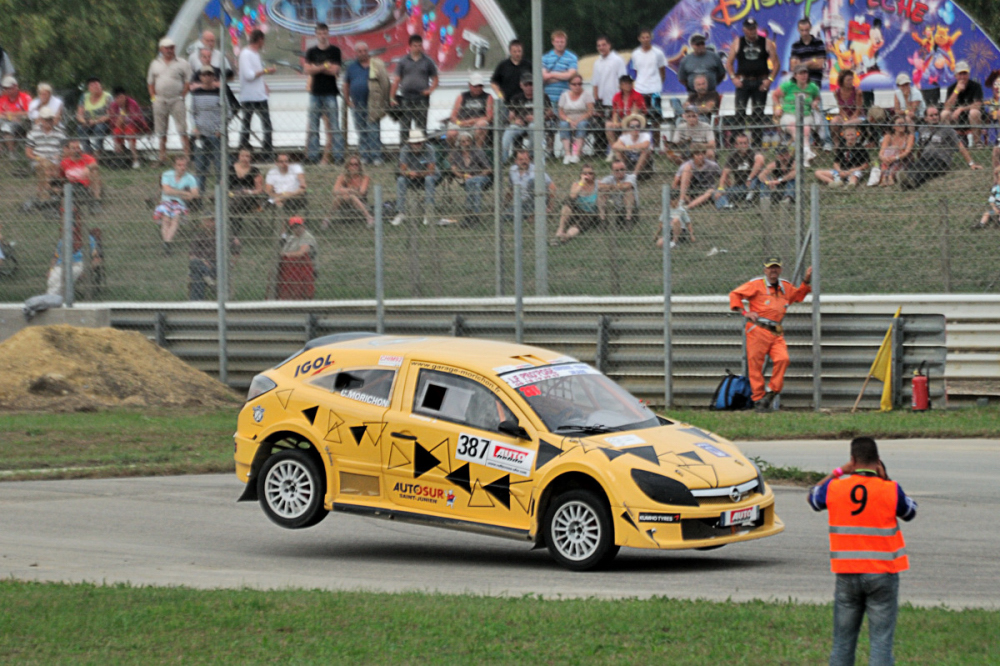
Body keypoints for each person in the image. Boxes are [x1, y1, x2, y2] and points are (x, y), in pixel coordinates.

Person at [808, 437, 918, 666]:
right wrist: (886, 478)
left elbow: (813, 497)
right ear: (878, 462)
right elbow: (910, 511)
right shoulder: (890, 489)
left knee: (842, 643)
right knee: (880, 642)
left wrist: (838, 471)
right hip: (883, 574)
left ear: (852, 460)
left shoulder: (836, 487)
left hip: (847, 573)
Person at [729, 257, 812, 409]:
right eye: (770, 267)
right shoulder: (756, 284)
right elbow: (735, 295)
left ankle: (772, 391)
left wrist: (806, 281)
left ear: (780, 269)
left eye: (776, 267)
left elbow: (798, 296)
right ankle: (759, 399)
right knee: (755, 366)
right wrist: (745, 312)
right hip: (757, 329)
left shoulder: (785, 286)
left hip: (776, 332)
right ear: (765, 270)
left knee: (783, 359)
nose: (773, 270)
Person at [899, 106, 981, 190]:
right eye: (931, 115)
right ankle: (907, 179)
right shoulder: (922, 129)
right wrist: (919, 157)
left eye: (936, 115)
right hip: (926, 157)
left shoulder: (947, 129)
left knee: (929, 168)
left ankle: (912, 181)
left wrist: (971, 163)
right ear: (926, 118)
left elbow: (960, 145)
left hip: (941, 160)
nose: (934, 117)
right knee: (917, 165)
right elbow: (921, 146)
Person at [726, 18, 779, 146]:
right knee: (740, 112)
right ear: (744, 30)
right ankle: (737, 143)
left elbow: (776, 64)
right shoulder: (738, 42)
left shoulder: (766, 43)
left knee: (758, 114)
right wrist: (733, 78)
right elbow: (729, 63)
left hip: (760, 82)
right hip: (743, 81)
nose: (752, 32)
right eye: (749, 29)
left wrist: (769, 80)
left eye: (754, 28)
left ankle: (757, 144)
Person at [303, 23, 343, 165]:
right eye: (320, 33)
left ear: (328, 33)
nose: (322, 35)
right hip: (315, 92)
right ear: (316, 34)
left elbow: (335, 71)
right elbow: (307, 70)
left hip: (330, 92)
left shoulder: (335, 51)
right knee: (313, 126)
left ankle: (338, 157)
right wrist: (324, 66)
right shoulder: (311, 52)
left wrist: (317, 68)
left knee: (335, 126)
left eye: (325, 32)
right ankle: (313, 157)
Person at [147, 36, 192, 163]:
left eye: (171, 48)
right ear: (161, 49)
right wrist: (153, 98)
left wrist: (183, 95)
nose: (169, 50)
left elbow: (188, 81)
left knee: (182, 128)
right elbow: (150, 82)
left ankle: (187, 156)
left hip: (176, 99)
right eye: (167, 48)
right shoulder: (155, 64)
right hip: (160, 100)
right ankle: (162, 156)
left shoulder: (182, 63)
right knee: (161, 130)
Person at [343, 41, 388, 165]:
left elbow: (384, 82)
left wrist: (384, 101)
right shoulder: (351, 67)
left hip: (373, 104)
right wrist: (348, 101)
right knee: (361, 131)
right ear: (356, 53)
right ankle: (364, 157)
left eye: (365, 51)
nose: (363, 53)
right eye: (360, 51)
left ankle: (376, 157)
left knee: (374, 131)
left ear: (368, 52)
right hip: (357, 104)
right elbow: (346, 84)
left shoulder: (376, 65)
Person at [390, 34, 439, 144]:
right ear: (410, 46)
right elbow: (397, 80)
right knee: (404, 127)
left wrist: (430, 90)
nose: (417, 48)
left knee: (421, 128)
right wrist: (392, 97)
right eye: (415, 45)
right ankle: (404, 154)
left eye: (419, 45)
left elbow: (435, 79)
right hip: (406, 98)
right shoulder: (403, 61)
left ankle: (421, 156)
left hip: (421, 98)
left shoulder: (428, 61)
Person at [773, 65, 821, 166]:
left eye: (805, 73)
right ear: (795, 76)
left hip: (806, 115)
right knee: (794, 126)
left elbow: (817, 98)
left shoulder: (812, 87)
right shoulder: (788, 85)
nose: (804, 76)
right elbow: (775, 95)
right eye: (801, 73)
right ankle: (806, 152)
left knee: (806, 128)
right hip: (789, 114)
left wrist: (815, 102)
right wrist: (778, 106)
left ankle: (804, 154)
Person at [238, 29, 276, 157]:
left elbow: (256, 73)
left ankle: (267, 152)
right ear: (259, 40)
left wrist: (264, 85)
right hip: (249, 96)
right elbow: (249, 75)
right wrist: (266, 71)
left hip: (260, 95)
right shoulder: (245, 54)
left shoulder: (256, 55)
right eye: (263, 41)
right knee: (246, 125)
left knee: (267, 125)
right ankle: (242, 150)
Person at [46, 209, 100, 297]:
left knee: (64, 277)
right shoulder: (63, 240)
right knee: (52, 279)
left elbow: (97, 258)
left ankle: (53, 300)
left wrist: (89, 270)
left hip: (79, 264)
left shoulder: (87, 238)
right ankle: (53, 299)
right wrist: (51, 270)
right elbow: (55, 257)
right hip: (62, 264)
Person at [502, 73, 554, 162]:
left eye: (531, 84)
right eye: (526, 85)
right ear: (521, 85)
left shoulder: (542, 96)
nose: (529, 87)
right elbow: (511, 116)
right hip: (521, 124)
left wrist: (538, 118)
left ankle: (531, 156)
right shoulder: (516, 98)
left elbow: (550, 113)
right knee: (509, 131)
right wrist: (515, 121)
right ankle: (503, 159)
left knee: (533, 127)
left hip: (537, 124)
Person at [392, 129, 440, 226]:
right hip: (412, 177)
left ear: (423, 142)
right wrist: (409, 173)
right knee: (401, 180)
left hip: (429, 177)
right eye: (415, 143)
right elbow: (402, 170)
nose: (417, 145)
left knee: (429, 179)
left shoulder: (429, 149)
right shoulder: (405, 150)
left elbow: (431, 171)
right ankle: (400, 213)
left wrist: (416, 173)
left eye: (419, 142)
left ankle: (428, 213)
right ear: (410, 143)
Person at [188, 215, 241, 300]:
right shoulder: (198, 236)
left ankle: (197, 304)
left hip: (218, 266)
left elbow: (237, 250)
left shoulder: (223, 235)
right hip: (202, 264)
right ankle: (209, 282)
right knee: (195, 266)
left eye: (211, 221)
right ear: (202, 223)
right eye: (206, 221)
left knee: (197, 274)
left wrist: (231, 265)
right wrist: (203, 262)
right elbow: (192, 255)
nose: (209, 224)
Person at [153, 155, 199, 252]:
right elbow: (166, 191)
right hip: (166, 201)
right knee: (166, 218)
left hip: (179, 203)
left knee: (176, 218)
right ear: (174, 166)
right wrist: (184, 192)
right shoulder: (167, 175)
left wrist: (189, 196)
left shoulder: (190, 178)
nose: (182, 168)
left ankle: (167, 243)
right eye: (179, 165)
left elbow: (195, 193)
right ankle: (167, 243)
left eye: (184, 165)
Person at [592, 35, 627, 160]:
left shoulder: (618, 60)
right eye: (599, 45)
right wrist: (596, 100)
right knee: (608, 128)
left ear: (609, 45)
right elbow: (595, 83)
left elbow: (623, 81)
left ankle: (622, 151)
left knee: (620, 127)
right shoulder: (597, 63)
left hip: (617, 101)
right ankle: (613, 150)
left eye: (604, 44)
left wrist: (622, 99)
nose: (601, 47)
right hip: (604, 102)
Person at [190, 65, 224, 191]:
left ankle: (219, 196)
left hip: (216, 136)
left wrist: (220, 129)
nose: (207, 77)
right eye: (204, 75)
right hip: (201, 136)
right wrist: (195, 128)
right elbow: (192, 113)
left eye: (210, 74)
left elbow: (227, 113)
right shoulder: (195, 94)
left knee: (219, 167)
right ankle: (199, 196)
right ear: (200, 77)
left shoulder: (220, 93)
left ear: (213, 77)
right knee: (200, 168)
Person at [630, 28, 667, 144]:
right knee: (641, 119)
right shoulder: (635, 53)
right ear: (639, 39)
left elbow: (662, 72)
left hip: (654, 90)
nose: (645, 40)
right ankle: (643, 143)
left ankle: (656, 146)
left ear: (651, 38)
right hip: (640, 90)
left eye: (647, 37)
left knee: (656, 120)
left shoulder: (658, 53)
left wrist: (656, 84)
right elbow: (636, 72)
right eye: (643, 37)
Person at [449, 133, 492, 226]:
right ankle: (474, 216)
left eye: (468, 141)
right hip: (466, 178)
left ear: (471, 142)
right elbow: (453, 169)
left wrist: (477, 176)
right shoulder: (457, 153)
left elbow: (488, 169)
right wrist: (462, 175)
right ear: (459, 143)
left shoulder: (478, 152)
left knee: (474, 182)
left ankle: (470, 215)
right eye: (463, 142)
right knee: (471, 183)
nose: (466, 143)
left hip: (482, 177)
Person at [24, 107, 66, 201]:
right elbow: (28, 152)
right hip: (38, 160)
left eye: (50, 119)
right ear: (41, 120)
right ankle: (52, 194)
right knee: (45, 166)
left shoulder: (60, 133)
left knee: (46, 168)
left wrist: (60, 156)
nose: (48, 121)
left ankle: (43, 196)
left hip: (56, 160)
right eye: (46, 119)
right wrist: (39, 158)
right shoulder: (33, 133)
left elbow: (65, 151)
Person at [715, 132, 765, 209]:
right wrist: (720, 188)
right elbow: (724, 173)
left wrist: (749, 178)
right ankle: (726, 206)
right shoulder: (732, 156)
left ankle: (750, 199)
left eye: (745, 143)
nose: (743, 145)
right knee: (715, 192)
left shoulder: (753, 152)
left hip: (755, 185)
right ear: (736, 145)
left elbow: (760, 161)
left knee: (759, 176)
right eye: (740, 143)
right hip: (741, 187)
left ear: (748, 144)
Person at [554, 164, 599, 244]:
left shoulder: (598, 184)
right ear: (581, 175)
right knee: (568, 200)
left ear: (594, 175)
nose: (588, 175)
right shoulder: (577, 184)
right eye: (585, 173)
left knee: (580, 223)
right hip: (576, 210)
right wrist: (582, 182)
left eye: (590, 173)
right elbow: (572, 196)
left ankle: (566, 236)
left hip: (589, 213)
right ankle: (561, 229)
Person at [446, 73, 493, 148]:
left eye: (480, 86)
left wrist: (470, 121)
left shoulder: (488, 97)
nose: (478, 88)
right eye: (475, 86)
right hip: (461, 124)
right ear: (470, 85)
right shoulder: (462, 96)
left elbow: (489, 117)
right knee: (452, 133)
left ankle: (477, 151)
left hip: (475, 125)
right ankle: (454, 153)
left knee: (482, 124)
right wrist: (460, 123)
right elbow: (453, 116)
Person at [606, 75, 647, 161]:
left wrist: (621, 123)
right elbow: (615, 112)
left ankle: (625, 151)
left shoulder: (637, 96)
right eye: (625, 83)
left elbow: (635, 113)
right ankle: (614, 150)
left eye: (629, 83)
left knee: (627, 127)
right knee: (608, 125)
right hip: (622, 119)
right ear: (620, 85)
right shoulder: (617, 96)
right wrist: (615, 122)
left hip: (636, 119)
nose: (628, 85)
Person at [276, 216, 317, 300]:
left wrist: (286, 255)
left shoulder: (307, 237)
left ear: (303, 226)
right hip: (290, 266)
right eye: (294, 227)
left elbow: (301, 253)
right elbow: (282, 250)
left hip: (303, 267)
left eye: (298, 226)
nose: (296, 229)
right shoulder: (292, 238)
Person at [557, 74, 594, 164]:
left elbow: (590, 112)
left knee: (582, 125)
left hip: (583, 120)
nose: (577, 86)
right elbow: (560, 112)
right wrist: (570, 120)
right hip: (568, 119)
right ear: (569, 85)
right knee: (563, 124)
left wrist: (577, 121)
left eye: (579, 84)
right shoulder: (564, 95)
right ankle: (567, 154)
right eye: (574, 84)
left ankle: (576, 154)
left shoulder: (587, 95)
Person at [508, 149, 556, 217]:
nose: (524, 162)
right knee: (505, 215)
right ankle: (528, 214)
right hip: (521, 203)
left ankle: (537, 213)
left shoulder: (536, 170)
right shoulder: (512, 170)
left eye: (526, 159)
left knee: (532, 182)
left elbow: (552, 187)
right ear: (516, 161)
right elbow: (511, 190)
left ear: (529, 159)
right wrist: (503, 205)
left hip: (535, 202)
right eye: (521, 159)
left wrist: (550, 208)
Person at [942, 60, 983, 139]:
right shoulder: (951, 88)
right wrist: (956, 91)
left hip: (971, 117)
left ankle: (977, 142)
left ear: (968, 75)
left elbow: (978, 105)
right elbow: (947, 107)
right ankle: (948, 142)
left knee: (974, 112)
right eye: (960, 74)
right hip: (956, 118)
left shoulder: (976, 86)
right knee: (944, 114)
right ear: (956, 76)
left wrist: (961, 109)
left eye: (965, 74)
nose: (963, 77)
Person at [676, 144, 721, 213]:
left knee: (711, 191)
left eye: (702, 154)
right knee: (687, 168)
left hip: (707, 192)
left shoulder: (712, 165)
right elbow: (676, 180)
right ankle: (681, 202)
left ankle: (687, 207)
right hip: (691, 192)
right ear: (693, 156)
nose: (700, 157)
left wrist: (721, 189)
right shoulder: (687, 165)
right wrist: (675, 193)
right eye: (697, 155)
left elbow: (723, 177)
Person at [109, 87, 147, 169]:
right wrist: (121, 115)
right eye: (117, 98)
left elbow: (136, 120)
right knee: (116, 132)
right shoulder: (114, 106)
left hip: (135, 126)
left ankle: (135, 159)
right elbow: (115, 123)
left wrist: (124, 121)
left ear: (125, 96)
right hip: (121, 126)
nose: (120, 99)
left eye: (121, 97)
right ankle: (120, 158)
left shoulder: (132, 103)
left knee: (129, 132)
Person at [228, 147, 264, 230]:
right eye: (242, 156)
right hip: (231, 196)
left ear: (251, 158)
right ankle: (235, 228)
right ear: (238, 156)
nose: (244, 158)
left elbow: (259, 190)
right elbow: (223, 185)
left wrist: (249, 192)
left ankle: (234, 229)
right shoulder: (230, 169)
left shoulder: (254, 170)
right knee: (236, 198)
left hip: (248, 198)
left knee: (239, 197)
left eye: (247, 156)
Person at [75, 78, 112, 156]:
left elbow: (109, 115)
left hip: (103, 122)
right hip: (88, 122)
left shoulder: (107, 97)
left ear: (101, 86)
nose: (95, 87)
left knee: (99, 128)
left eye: (97, 85)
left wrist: (95, 121)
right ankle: (87, 153)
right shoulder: (84, 97)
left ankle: (98, 152)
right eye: (92, 85)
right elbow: (79, 114)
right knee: (80, 128)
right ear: (89, 88)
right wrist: (85, 122)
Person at [332, 155, 373, 226]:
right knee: (339, 197)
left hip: (360, 203)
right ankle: (327, 219)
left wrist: (344, 190)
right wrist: (351, 190)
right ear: (347, 166)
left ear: (360, 166)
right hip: (345, 202)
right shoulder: (342, 176)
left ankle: (368, 217)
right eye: (351, 164)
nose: (354, 167)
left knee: (351, 196)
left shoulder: (365, 177)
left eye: (356, 164)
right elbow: (334, 191)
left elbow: (361, 193)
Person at [542, 30, 578, 106]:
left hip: (566, 99)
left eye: (562, 42)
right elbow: (544, 76)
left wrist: (551, 75)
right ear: (553, 42)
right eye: (557, 42)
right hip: (548, 99)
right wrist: (563, 75)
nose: (560, 44)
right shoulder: (545, 58)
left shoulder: (572, 57)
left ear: (565, 42)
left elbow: (570, 75)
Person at [60, 140, 102, 205]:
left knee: (94, 172)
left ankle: (96, 199)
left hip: (87, 187)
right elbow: (61, 176)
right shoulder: (64, 162)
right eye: (73, 148)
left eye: (78, 148)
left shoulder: (86, 157)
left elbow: (95, 164)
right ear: (69, 150)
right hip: (72, 187)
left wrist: (88, 167)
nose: (77, 150)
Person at [829, 69, 865, 147]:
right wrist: (844, 116)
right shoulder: (837, 92)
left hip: (858, 116)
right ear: (842, 81)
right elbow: (840, 108)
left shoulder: (857, 92)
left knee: (847, 124)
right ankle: (836, 142)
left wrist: (850, 118)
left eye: (851, 80)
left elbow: (858, 109)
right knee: (833, 122)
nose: (850, 82)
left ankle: (852, 143)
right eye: (848, 80)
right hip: (845, 115)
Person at [598, 160, 638, 225]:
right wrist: (614, 187)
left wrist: (609, 187)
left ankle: (629, 219)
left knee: (628, 191)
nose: (620, 172)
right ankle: (603, 219)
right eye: (617, 170)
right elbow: (599, 186)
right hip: (618, 209)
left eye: (622, 169)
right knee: (602, 192)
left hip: (632, 208)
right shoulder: (609, 178)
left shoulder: (631, 177)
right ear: (612, 171)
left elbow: (627, 186)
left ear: (626, 169)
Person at [876, 117, 914, 187]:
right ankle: (885, 178)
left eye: (904, 123)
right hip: (889, 161)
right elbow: (881, 153)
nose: (902, 125)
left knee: (894, 149)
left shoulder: (909, 136)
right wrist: (884, 158)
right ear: (893, 126)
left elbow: (907, 152)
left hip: (903, 160)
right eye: (899, 124)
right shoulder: (888, 136)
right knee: (888, 150)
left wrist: (895, 157)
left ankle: (889, 177)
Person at [611, 113, 653, 177]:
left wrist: (628, 147)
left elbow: (645, 145)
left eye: (637, 126)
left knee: (646, 151)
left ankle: (634, 175)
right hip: (629, 161)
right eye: (632, 126)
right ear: (628, 128)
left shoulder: (645, 135)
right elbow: (615, 146)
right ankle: (622, 172)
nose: (635, 128)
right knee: (618, 151)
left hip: (645, 163)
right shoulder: (624, 137)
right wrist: (629, 148)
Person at [789, 18, 826, 88]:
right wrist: (812, 61)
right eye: (802, 30)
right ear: (798, 30)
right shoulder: (795, 46)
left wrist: (801, 64)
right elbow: (793, 67)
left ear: (810, 29)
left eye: (806, 30)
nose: (804, 33)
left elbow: (819, 64)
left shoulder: (818, 43)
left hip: (814, 80)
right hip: (799, 82)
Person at [0, 75, 32, 157]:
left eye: (9, 88)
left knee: (7, 127)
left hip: (24, 124)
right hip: (7, 122)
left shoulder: (25, 97)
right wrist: (10, 117)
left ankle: (12, 153)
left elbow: (30, 113)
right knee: (5, 126)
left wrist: (13, 114)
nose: (7, 90)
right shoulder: (3, 99)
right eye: (5, 88)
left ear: (16, 87)